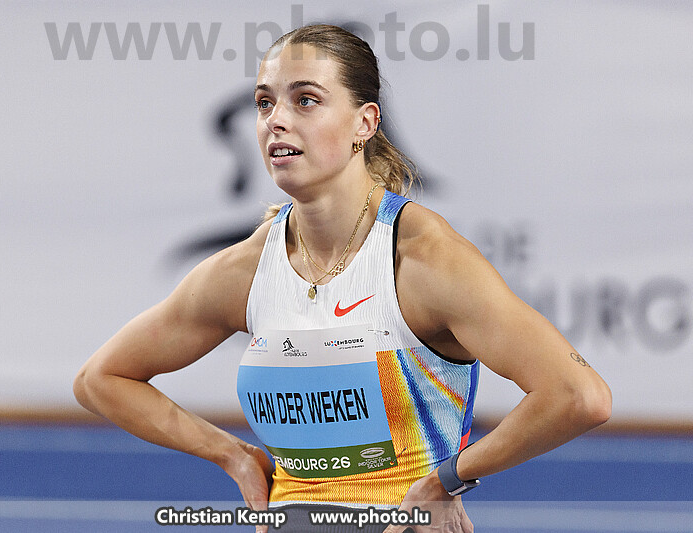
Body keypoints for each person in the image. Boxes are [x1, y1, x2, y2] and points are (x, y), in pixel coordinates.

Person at [74, 24, 611, 532]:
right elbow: (102, 380)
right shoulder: (247, 270)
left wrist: (446, 480)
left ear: (365, 123)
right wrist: (232, 454)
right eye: (264, 103)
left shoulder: (424, 260)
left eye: (305, 100)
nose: (276, 120)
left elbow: (578, 395)